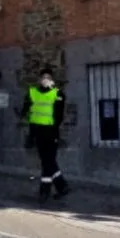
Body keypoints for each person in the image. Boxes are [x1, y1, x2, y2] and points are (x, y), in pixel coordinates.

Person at [20, 67, 70, 203]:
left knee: (48, 162)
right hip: (38, 133)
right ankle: (61, 186)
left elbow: (59, 116)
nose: (45, 80)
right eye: (43, 77)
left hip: (51, 132)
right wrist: (30, 133)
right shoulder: (32, 93)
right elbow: (26, 110)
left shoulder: (57, 94)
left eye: (48, 77)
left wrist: (54, 131)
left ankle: (45, 191)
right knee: (47, 162)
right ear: (39, 79)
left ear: (52, 80)